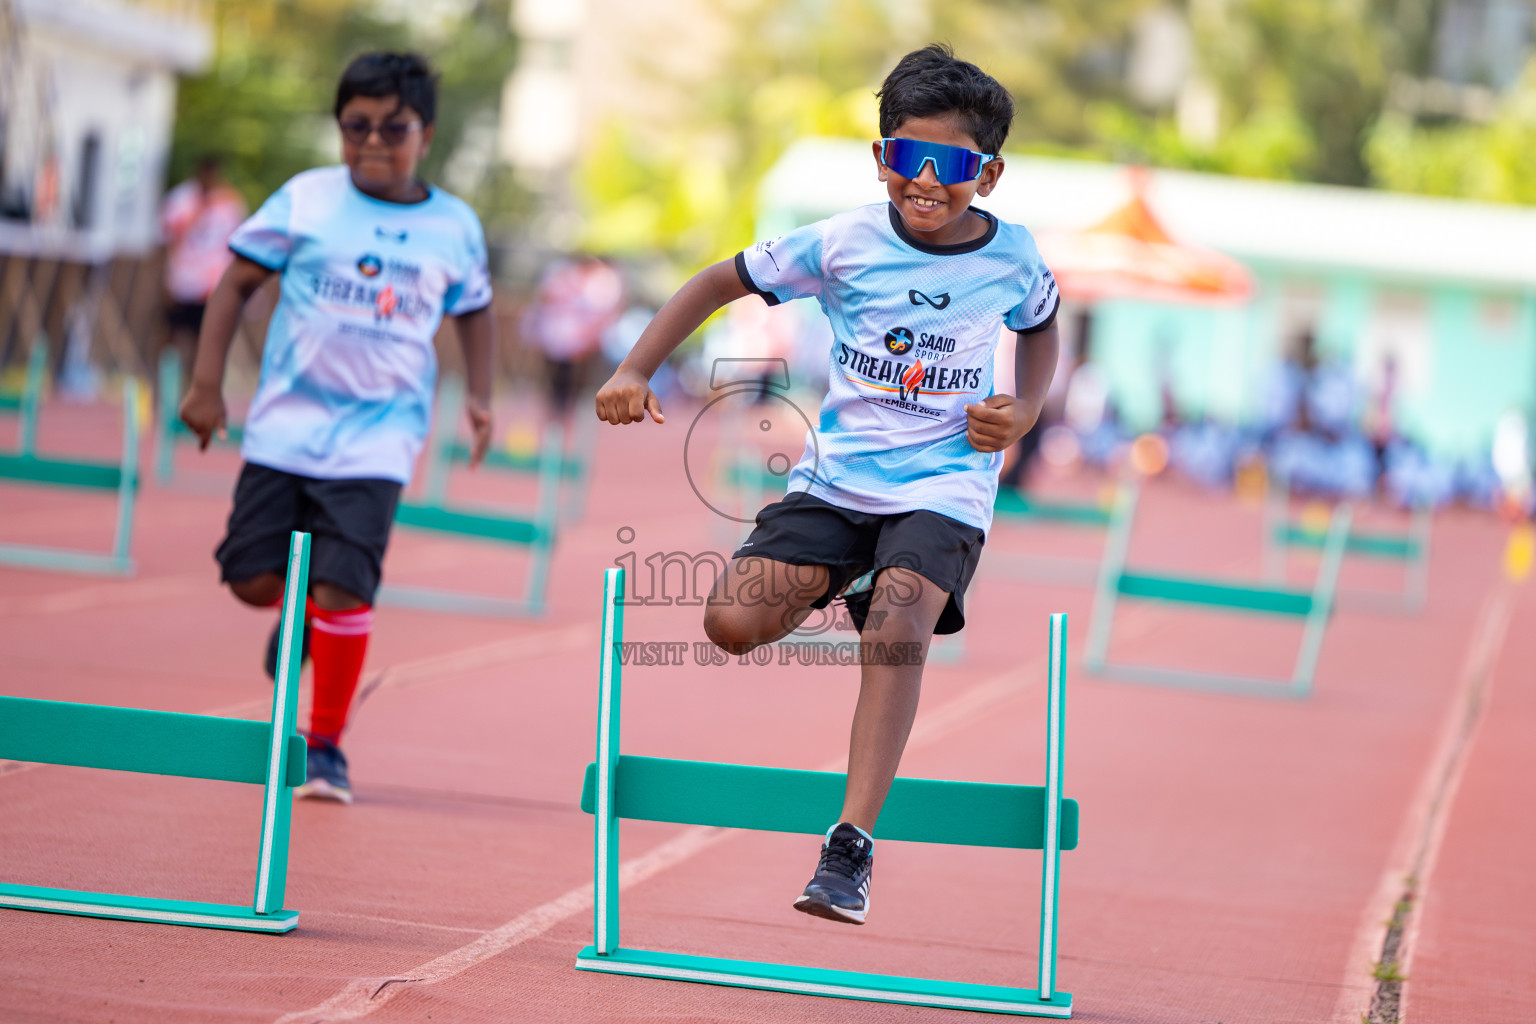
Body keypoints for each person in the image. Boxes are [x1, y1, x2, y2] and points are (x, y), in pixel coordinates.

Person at [595, 44, 1059, 925]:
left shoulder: (1013, 258)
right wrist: (635, 370)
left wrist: (1026, 410)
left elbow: (1042, 330)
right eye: (904, 159)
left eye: (950, 165)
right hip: (839, 478)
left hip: (944, 481)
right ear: (880, 159)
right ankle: (852, 573)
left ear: (988, 174)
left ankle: (850, 846)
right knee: (731, 623)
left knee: (900, 616)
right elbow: (714, 281)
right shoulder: (843, 240)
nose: (924, 182)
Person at [178, 52, 495, 803]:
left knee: (347, 591)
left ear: (427, 133)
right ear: (339, 127)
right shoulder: (306, 198)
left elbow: (475, 310)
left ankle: (325, 748)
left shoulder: (454, 224)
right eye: (356, 127)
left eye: (394, 128)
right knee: (253, 580)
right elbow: (236, 283)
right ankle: (299, 615)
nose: (374, 143)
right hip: (284, 427)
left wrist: (480, 395)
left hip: (378, 440)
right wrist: (204, 384)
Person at [160, 156, 247, 383]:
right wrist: (168, 276)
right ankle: (167, 385)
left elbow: (236, 246)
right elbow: (169, 240)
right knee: (172, 336)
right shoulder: (182, 199)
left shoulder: (230, 202)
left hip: (211, 284)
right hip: (182, 281)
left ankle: (194, 385)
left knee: (205, 339)